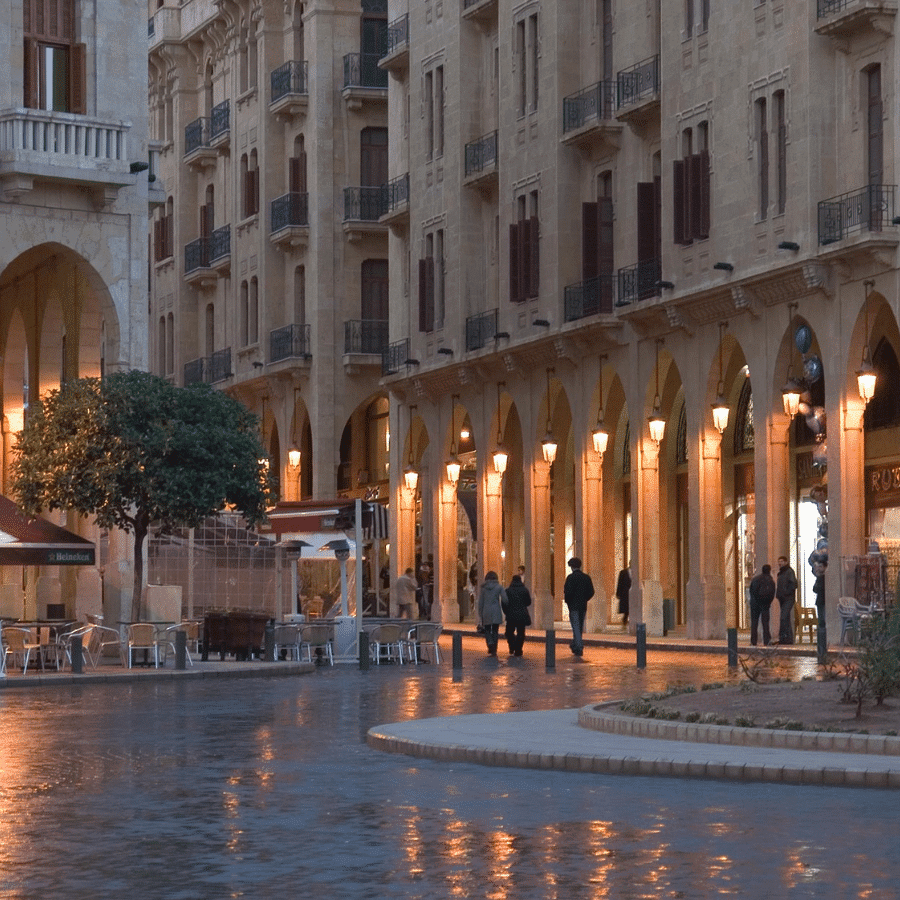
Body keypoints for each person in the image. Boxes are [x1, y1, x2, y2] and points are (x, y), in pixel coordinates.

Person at [563, 557, 594, 657]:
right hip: (582, 606)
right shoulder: (586, 577)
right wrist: (585, 599)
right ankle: (575, 645)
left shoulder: (570, 578)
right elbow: (591, 591)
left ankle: (579, 646)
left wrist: (569, 602)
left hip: (573, 606)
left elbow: (567, 593)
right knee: (579, 627)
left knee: (576, 627)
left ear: (572, 567)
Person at [477, 570, 506, 656]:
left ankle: (490, 644)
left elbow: (480, 602)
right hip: (496, 611)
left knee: (487, 630)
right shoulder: (499, 587)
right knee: (495, 630)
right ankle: (494, 648)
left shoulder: (483, 589)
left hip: (486, 611)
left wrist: (480, 613)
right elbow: (505, 599)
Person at [503, 573, 532, 656]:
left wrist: (506, 612)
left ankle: (512, 646)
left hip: (511, 615)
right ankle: (518, 649)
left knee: (509, 632)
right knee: (521, 633)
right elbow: (528, 602)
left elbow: (504, 603)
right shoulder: (524, 590)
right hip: (521, 615)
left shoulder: (508, 591)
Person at [748, 563, 776, 646]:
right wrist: (768, 602)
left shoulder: (755, 579)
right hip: (765, 604)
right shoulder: (770, 580)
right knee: (765, 623)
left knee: (754, 623)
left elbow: (751, 590)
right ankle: (766, 641)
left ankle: (753, 641)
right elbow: (772, 593)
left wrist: (753, 600)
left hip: (755, 604)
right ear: (769, 570)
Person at [776, 555, 798, 645]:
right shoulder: (781, 573)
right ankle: (788, 639)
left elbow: (794, 584)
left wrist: (786, 592)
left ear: (785, 562)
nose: (780, 563)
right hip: (782, 598)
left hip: (788, 598)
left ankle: (784, 638)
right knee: (786, 618)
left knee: (783, 617)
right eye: (779, 561)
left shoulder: (789, 572)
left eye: (781, 561)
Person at [812, 560, 827, 632]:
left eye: (821, 566)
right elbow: (814, 589)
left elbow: (822, 588)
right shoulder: (819, 577)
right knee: (821, 620)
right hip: (820, 601)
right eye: (818, 567)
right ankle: (821, 638)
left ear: (825, 567)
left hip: (825, 601)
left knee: (824, 619)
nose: (819, 568)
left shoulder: (826, 578)